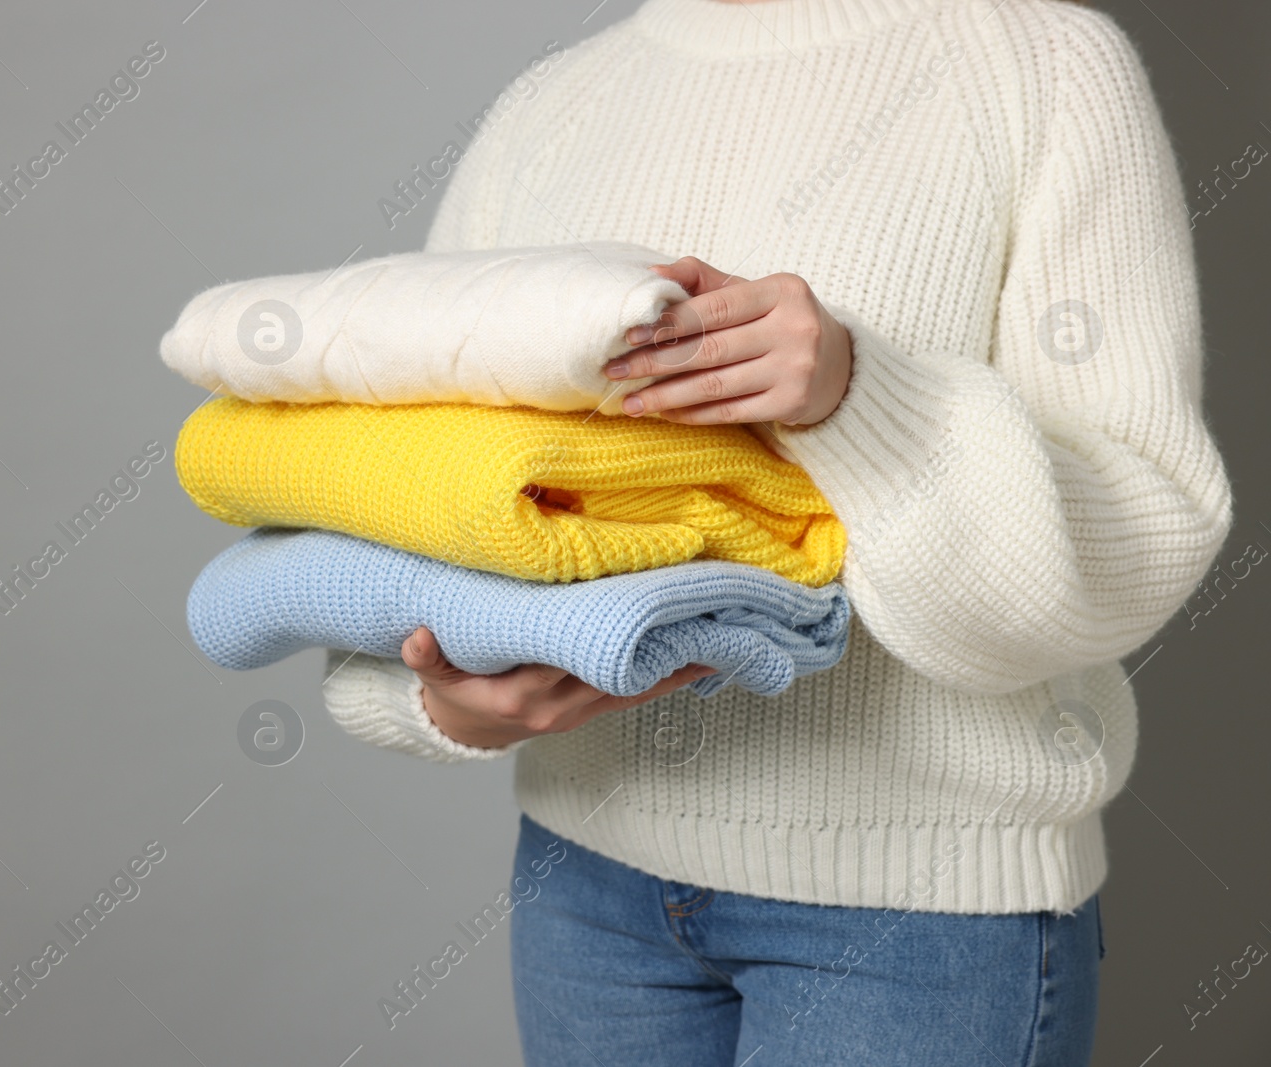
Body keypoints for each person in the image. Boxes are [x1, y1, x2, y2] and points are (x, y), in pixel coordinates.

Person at [319, 0, 1233, 1062]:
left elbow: (1142, 532)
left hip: (915, 915)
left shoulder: (1042, 67)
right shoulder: (552, 105)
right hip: (581, 886)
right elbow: (417, 501)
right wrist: (444, 700)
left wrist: (859, 398)